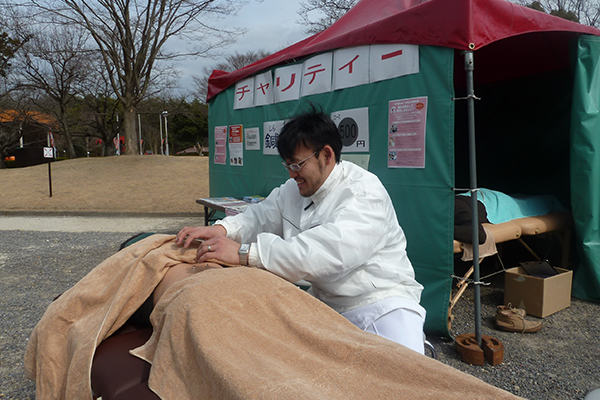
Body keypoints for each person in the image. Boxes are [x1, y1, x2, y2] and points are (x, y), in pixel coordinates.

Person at [176, 108, 426, 354]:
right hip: (326, 305)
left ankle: (420, 345)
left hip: (380, 303)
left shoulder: (364, 193)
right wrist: (222, 229)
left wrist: (245, 253)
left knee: (408, 380)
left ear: (326, 155)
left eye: (297, 165)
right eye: (287, 165)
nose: (291, 174)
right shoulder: (293, 189)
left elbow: (327, 252)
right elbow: (261, 215)